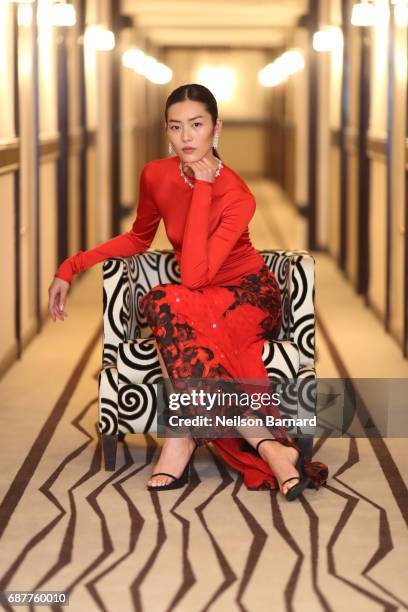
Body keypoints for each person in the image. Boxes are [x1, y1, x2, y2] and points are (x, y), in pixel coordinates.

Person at [48, 83, 328, 500]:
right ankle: (269, 447)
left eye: (196, 125)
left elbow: (195, 274)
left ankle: (181, 437)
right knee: (167, 300)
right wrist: (72, 266)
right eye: (175, 127)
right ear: (166, 131)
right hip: (198, 296)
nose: (186, 137)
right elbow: (139, 239)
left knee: (168, 298)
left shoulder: (237, 194)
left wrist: (204, 187)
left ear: (216, 128)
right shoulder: (156, 175)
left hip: (248, 294)